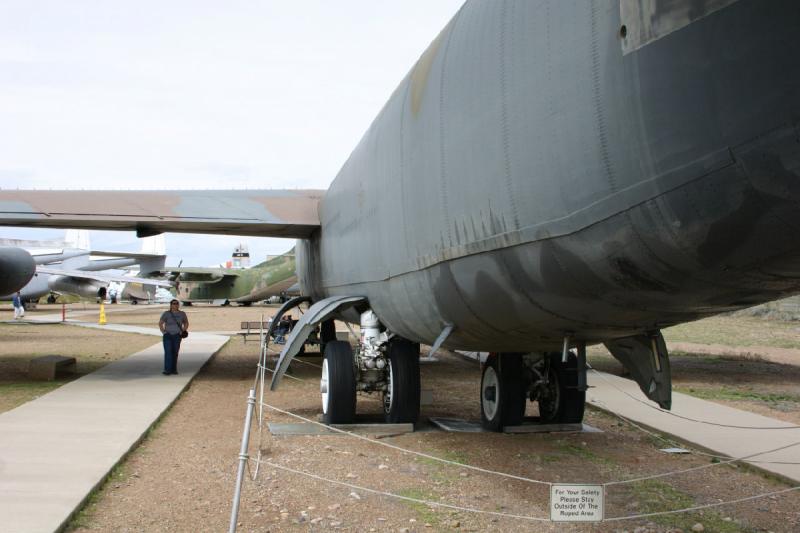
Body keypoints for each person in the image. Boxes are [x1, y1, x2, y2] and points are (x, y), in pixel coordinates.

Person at [158, 299, 189, 375]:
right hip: (168, 335)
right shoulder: (166, 313)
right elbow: (160, 323)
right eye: (173, 304)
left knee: (175, 352)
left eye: (177, 304)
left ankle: (173, 369)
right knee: (168, 352)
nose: (175, 305)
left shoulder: (182, 314)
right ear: (171, 305)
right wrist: (163, 332)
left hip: (177, 335)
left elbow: (186, 323)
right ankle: (167, 370)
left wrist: (183, 330)